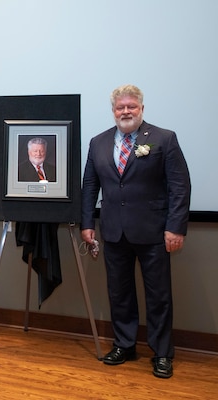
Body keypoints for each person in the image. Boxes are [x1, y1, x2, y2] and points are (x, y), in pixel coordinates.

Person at [81, 84, 191, 379]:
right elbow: (90, 186)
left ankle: (163, 353)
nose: (126, 111)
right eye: (120, 107)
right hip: (114, 230)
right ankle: (125, 345)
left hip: (154, 232)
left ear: (141, 108)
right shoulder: (98, 142)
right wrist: (88, 223)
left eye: (131, 106)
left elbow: (180, 187)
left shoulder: (163, 139)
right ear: (113, 111)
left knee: (159, 296)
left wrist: (175, 227)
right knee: (119, 293)